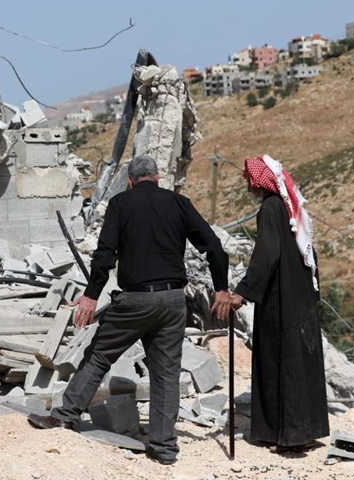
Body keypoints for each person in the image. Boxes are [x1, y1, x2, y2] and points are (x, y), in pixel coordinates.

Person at [27, 155, 232, 465]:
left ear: (131, 181)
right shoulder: (179, 203)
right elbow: (214, 246)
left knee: (99, 356)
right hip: (173, 301)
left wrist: (91, 296)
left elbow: (105, 253)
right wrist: (220, 287)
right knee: (165, 373)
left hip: (135, 300)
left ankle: (64, 416)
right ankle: (163, 448)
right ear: (158, 177)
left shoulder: (121, 203)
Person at [229, 155, 329, 453]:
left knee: (283, 363)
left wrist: (243, 292)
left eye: (250, 179)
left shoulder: (270, 208)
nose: (248, 184)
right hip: (300, 296)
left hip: (281, 298)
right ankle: (294, 432)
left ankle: (290, 437)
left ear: (262, 182)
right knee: (299, 362)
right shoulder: (288, 208)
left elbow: (267, 254)